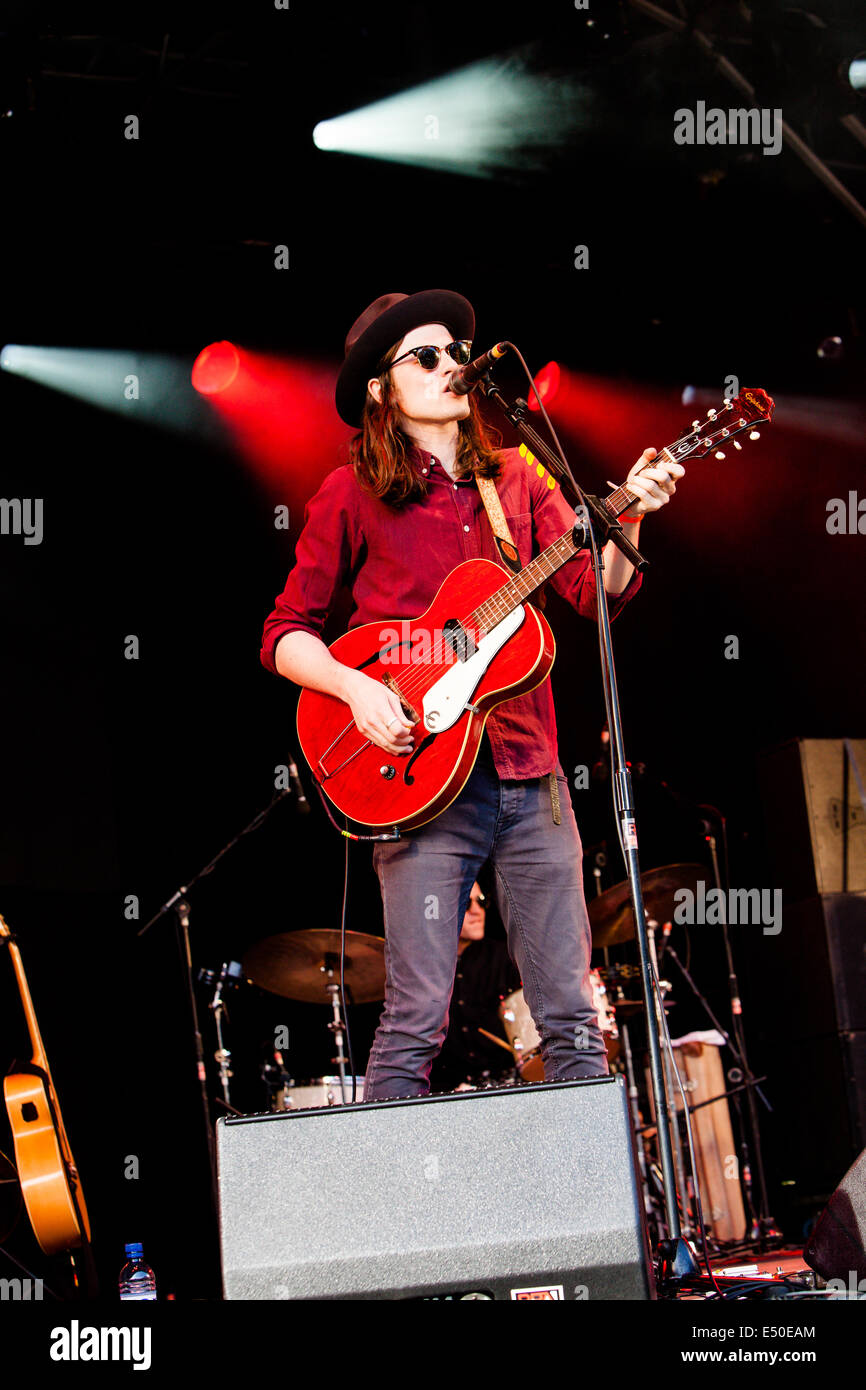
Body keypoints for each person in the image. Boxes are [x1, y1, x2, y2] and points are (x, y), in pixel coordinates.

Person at [260, 289, 683, 1101]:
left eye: (456, 351)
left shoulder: (519, 473)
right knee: (415, 1015)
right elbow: (285, 633)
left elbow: (594, 591)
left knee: (571, 1013)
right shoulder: (349, 492)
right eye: (426, 356)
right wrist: (356, 689)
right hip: (418, 780)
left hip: (530, 771)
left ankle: (588, 1185)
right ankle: (393, 1183)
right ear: (382, 388)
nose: (451, 364)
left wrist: (632, 514)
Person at [429, 880, 521, 1093]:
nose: (477, 911)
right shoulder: (423, 969)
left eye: (481, 901)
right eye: (466, 902)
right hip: (444, 1092)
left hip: (505, 1087)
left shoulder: (506, 959)